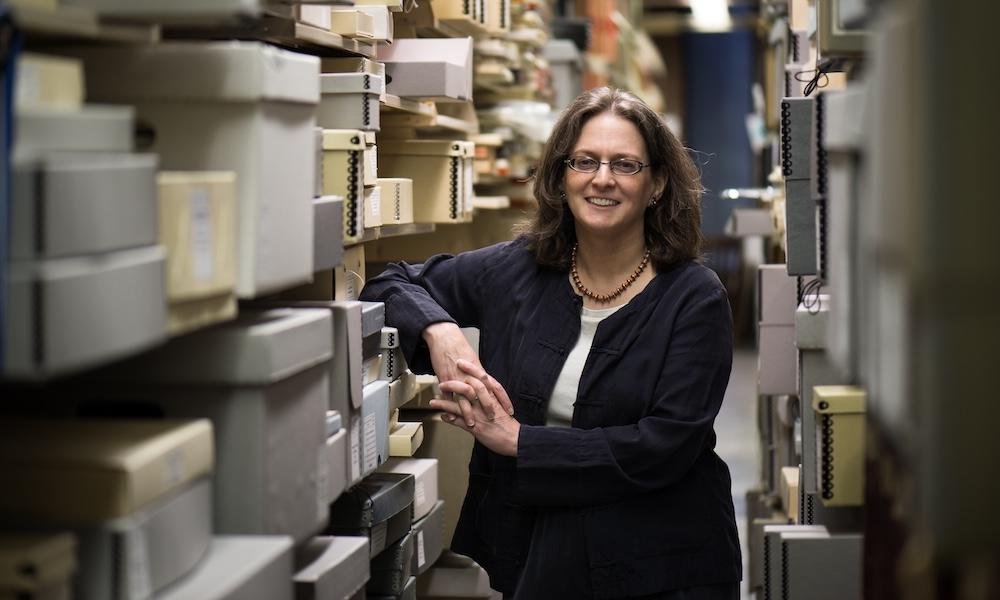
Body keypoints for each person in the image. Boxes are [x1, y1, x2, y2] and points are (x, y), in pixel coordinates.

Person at [360, 87, 741, 599]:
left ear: (656, 184)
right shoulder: (520, 268)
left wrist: (518, 440)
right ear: (563, 176)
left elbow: (666, 446)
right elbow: (389, 282)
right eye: (585, 161)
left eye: (625, 165)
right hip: (542, 553)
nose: (602, 179)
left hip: (662, 561)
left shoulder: (694, 297)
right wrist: (440, 329)